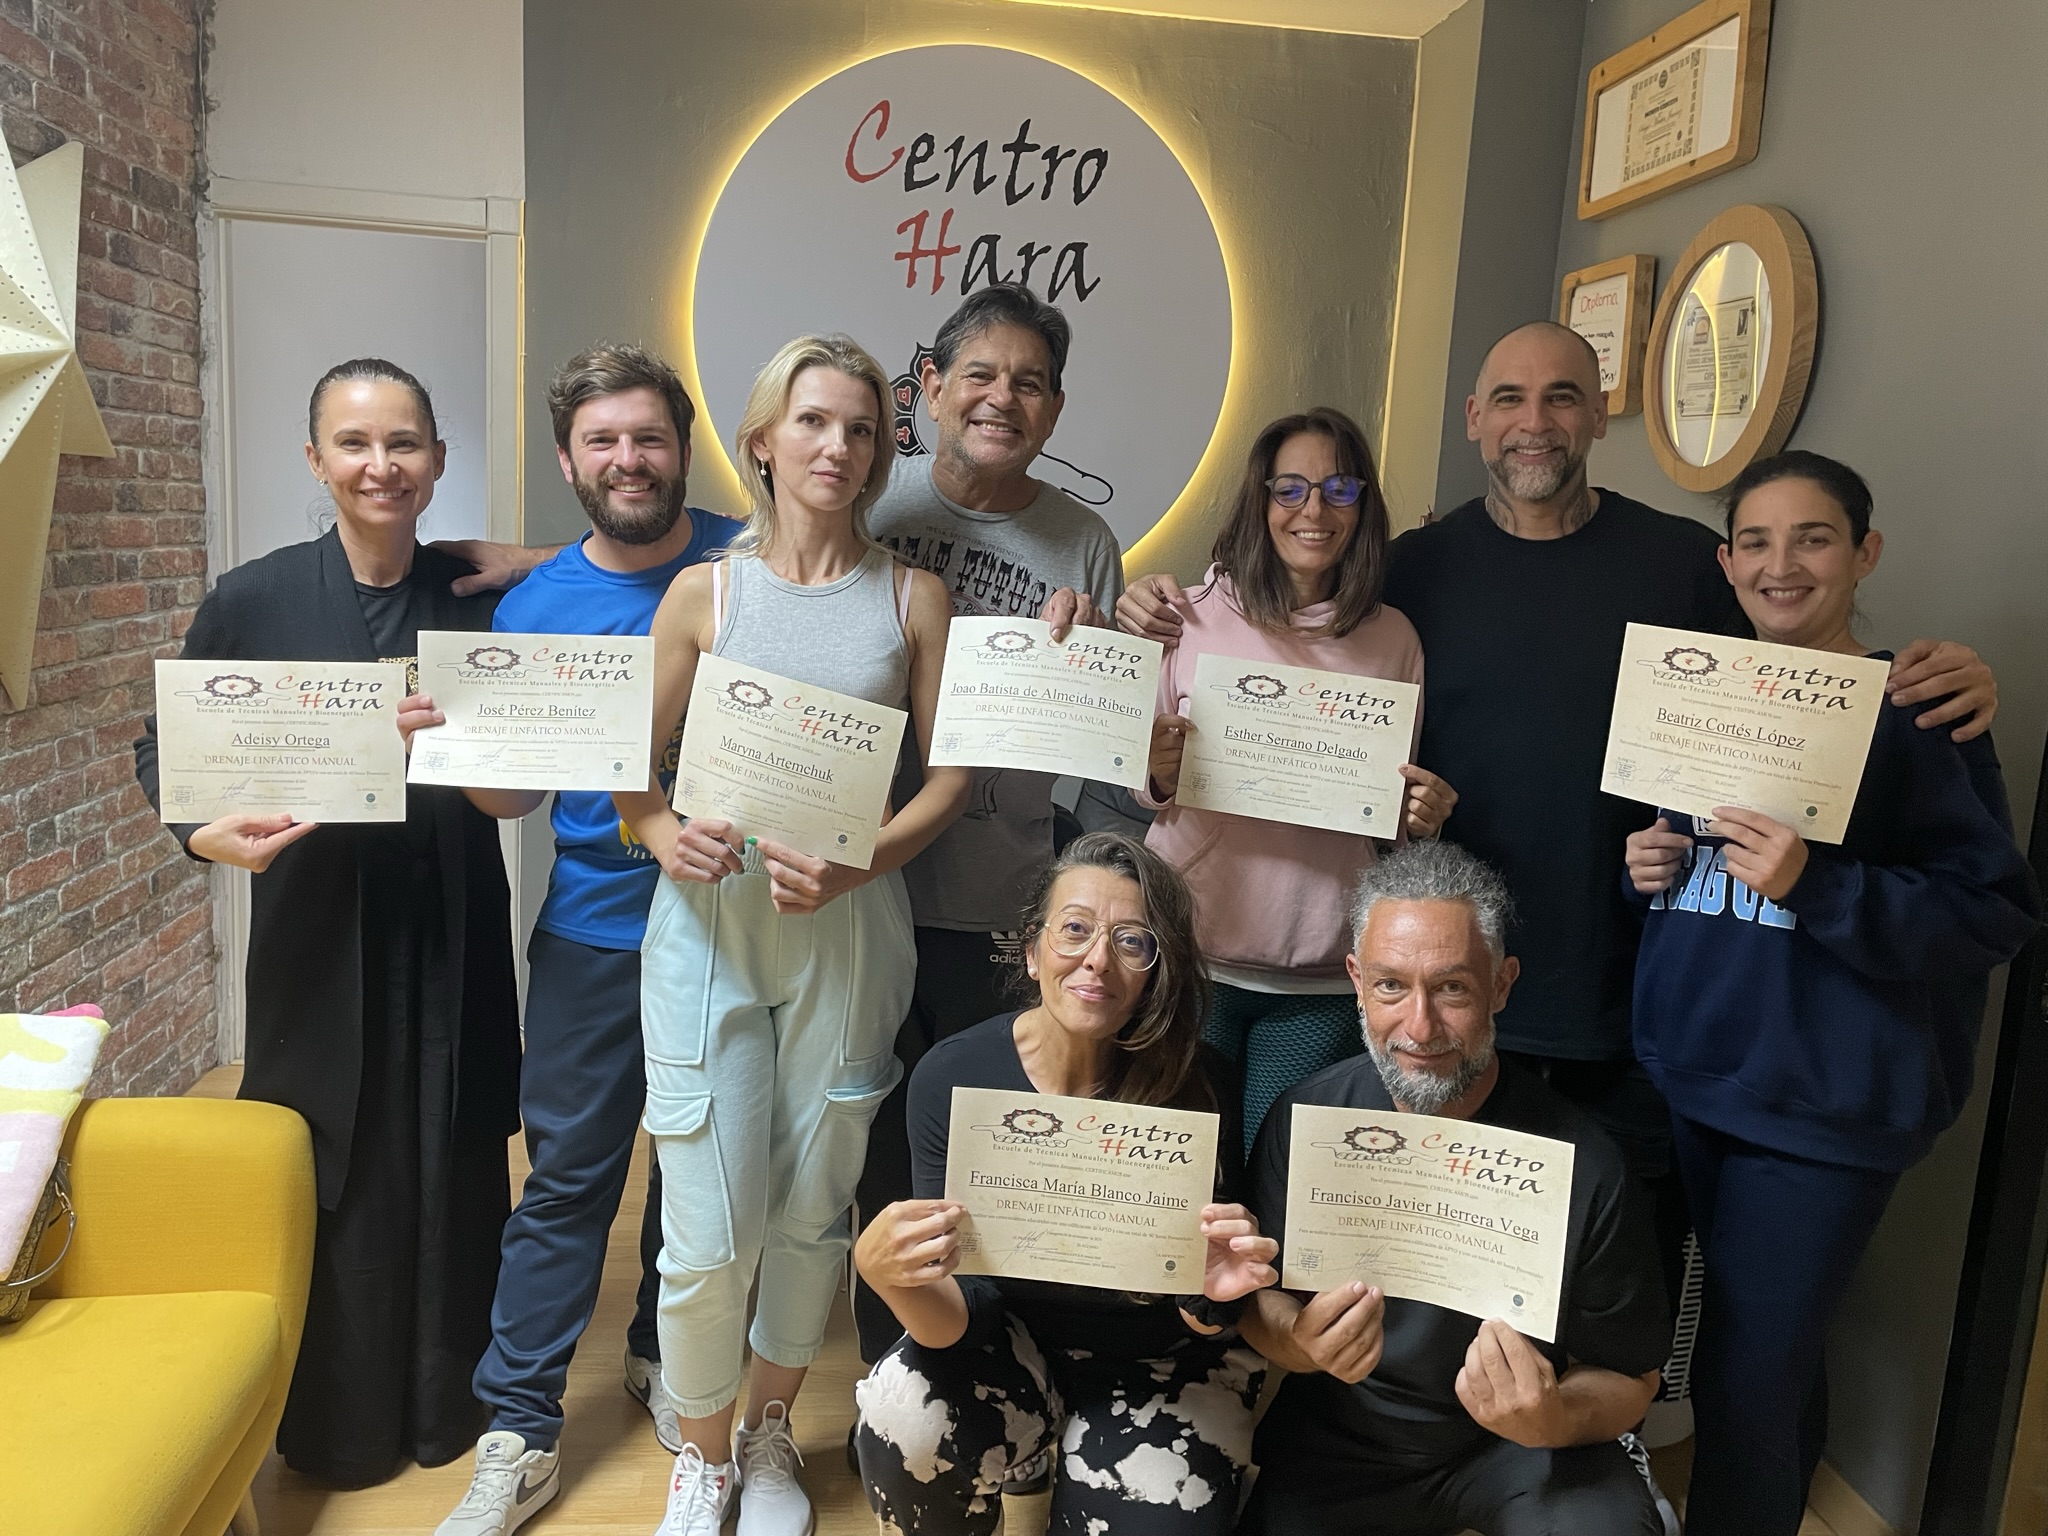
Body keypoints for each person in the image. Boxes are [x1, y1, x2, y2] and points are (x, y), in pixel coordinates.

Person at [1118, 321, 1999, 1406]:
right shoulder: (1411, 573)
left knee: (1611, 1275)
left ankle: (1593, 1441)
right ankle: (1371, 1429)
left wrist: (1935, 670)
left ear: (1596, 414)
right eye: (1508, 398)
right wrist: (1143, 608)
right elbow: (1278, 618)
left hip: (1633, 993)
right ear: (1473, 420)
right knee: (1402, 1248)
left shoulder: (1685, 562)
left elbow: (1797, 661)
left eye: (1561, 397)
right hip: (1446, 991)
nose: (1533, 423)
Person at [1621, 451, 2039, 1536]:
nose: (1781, 565)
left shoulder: (1918, 711)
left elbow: (1990, 913)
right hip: (1700, 1078)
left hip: (1821, 1108)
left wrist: (1818, 884)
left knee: (1745, 1380)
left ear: (1864, 553)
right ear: (1726, 563)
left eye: (1812, 538)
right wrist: (1651, 868)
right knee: (1767, 1361)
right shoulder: (1702, 698)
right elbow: (1696, 874)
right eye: (1755, 542)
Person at [133, 359, 520, 1487]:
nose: (380, 465)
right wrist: (203, 835)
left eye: (404, 443)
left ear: (437, 460)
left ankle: (448, 1409)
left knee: (452, 1150)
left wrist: (538, 559)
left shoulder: (478, 599)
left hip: (449, 920)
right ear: (316, 460)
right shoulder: (252, 599)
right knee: (332, 1162)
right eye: (354, 443)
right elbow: (166, 748)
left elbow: (536, 734)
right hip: (318, 926)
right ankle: (336, 1427)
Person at [613, 333, 970, 1536]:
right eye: (813, 422)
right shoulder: (703, 594)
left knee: (814, 1204)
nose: (837, 447)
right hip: (709, 925)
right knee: (705, 1227)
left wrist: (863, 857)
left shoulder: (911, 598)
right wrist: (659, 832)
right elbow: (626, 763)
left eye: (861, 429)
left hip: (850, 923)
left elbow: (949, 779)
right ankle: (701, 1451)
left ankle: (770, 1433)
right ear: (762, 440)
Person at [418, 345, 744, 1536]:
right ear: (567, 461)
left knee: (698, 1173)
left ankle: (662, 1353)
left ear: (684, 449)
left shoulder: (751, 564)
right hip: (594, 932)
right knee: (566, 1181)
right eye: (602, 441)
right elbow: (511, 803)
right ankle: (520, 1429)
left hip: (738, 927)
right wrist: (462, 746)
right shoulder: (533, 605)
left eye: (648, 437)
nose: (627, 459)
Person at [1241, 839, 1673, 1535]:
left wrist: (1553, 1418)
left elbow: (1633, 1379)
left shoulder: (1584, 1161)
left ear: (1501, 984)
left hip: (1519, 1446)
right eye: (1390, 985)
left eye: (1452, 989)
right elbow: (1257, 1298)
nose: (1419, 1027)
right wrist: (1297, 1341)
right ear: (1356, 980)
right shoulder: (1307, 1120)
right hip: (1348, 1435)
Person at [852, 831, 1277, 1535]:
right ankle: (1028, 1450)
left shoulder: (1201, 1086)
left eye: (1132, 941)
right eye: (1075, 929)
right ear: (1032, 950)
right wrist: (888, 1280)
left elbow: (1204, 1314)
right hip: (1006, 1338)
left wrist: (1213, 1296)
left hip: (1159, 1355)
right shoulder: (953, 1078)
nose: (1098, 959)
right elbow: (962, 1314)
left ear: (1156, 970)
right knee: (903, 1420)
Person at [1139, 406, 1455, 1157]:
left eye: (1339, 489)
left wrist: (1421, 817)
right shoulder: (1185, 617)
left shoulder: (1394, 638)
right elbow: (1138, 782)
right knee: (1177, 1171)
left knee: (1275, 1176)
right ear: (1261, 500)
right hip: (1191, 951)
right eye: (1290, 489)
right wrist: (1155, 770)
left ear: (1362, 506)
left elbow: (1386, 813)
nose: (1314, 510)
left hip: (1317, 972)